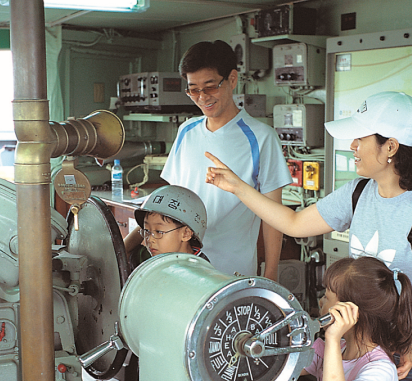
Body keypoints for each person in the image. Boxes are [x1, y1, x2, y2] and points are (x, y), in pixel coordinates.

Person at [205, 91, 412, 381]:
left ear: (390, 147)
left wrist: (408, 344)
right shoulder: (357, 193)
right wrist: (238, 187)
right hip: (360, 346)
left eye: (362, 138)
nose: (353, 145)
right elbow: (293, 222)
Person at [125, 40, 292, 280]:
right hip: (180, 268)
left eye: (210, 87)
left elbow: (273, 215)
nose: (202, 97)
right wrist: (123, 246)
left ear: (232, 79)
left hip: (230, 270)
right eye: (193, 89)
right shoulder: (187, 131)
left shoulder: (261, 137)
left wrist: (272, 273)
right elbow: (166, 202)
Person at [304, 256, 412, 381]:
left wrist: (331, 338)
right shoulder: (333, 350)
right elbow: (286, 365)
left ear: (348, 312)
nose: (320, 300)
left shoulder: (380, 371)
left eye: (327, 295)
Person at [132, 185, 209, 262]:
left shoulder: (199, 270)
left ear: (186, 233)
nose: (150, 239)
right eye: (147, 231)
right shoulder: (155, 254)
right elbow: (123, 254)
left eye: (159, 231)